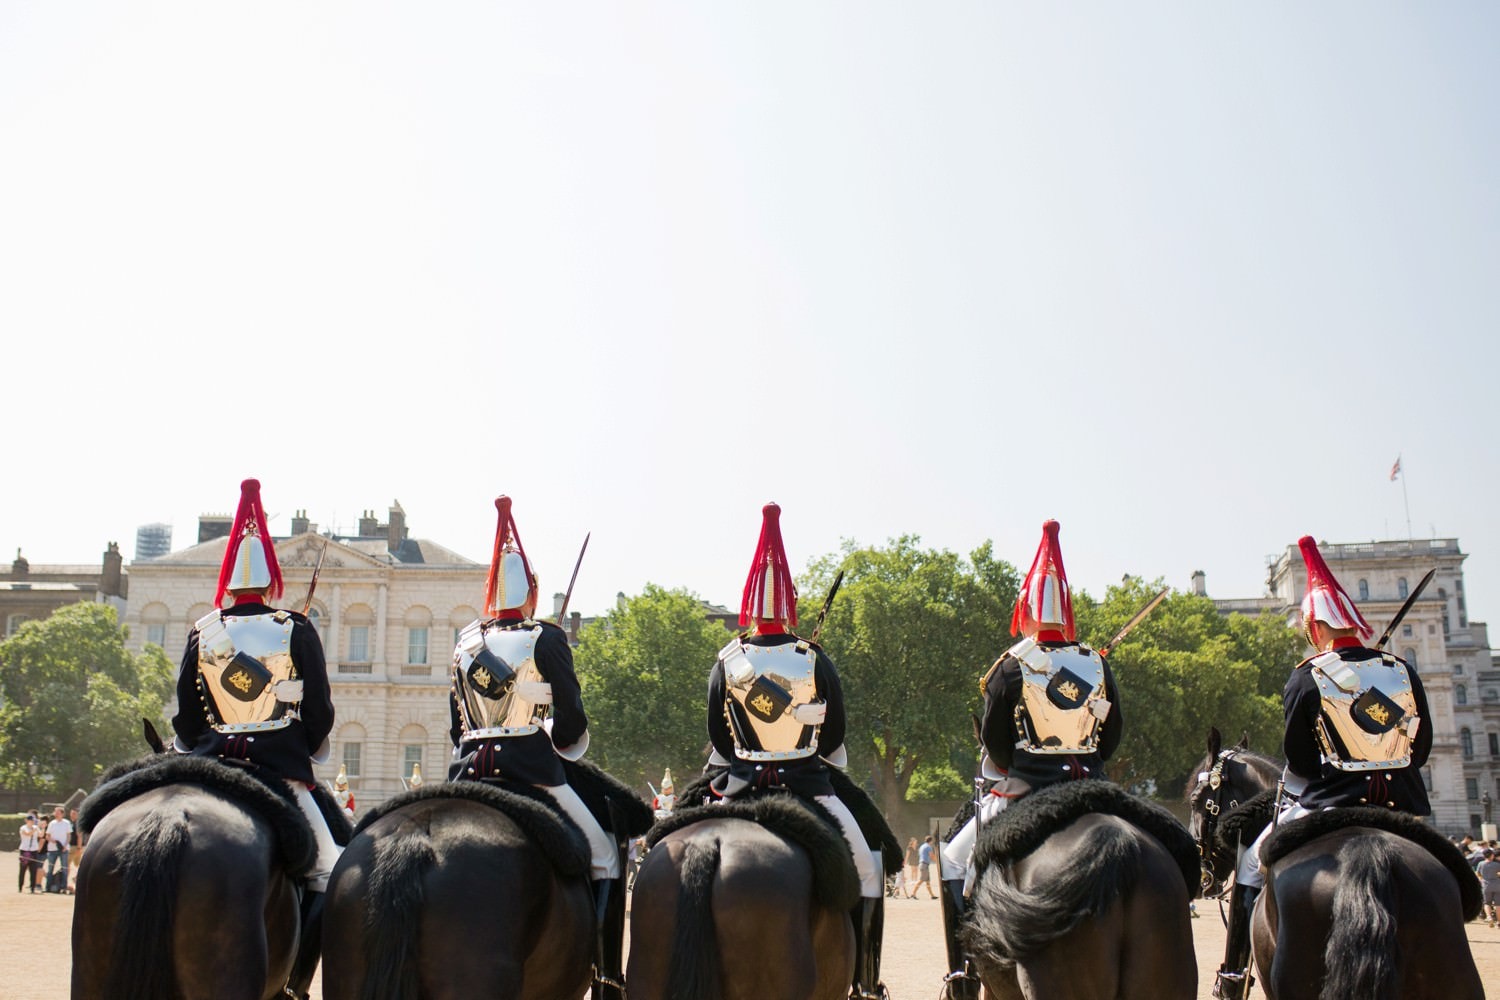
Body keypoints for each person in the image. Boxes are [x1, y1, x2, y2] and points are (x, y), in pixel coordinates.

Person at [1213, 535, 1432, 1000]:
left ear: (1315, 626)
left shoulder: (1309, 675)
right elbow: (1422, 747)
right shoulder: (1401, 670)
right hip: (1402, 806)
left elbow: (1300, 760)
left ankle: (1234, 975)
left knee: (1252, 866)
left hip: (1328, 805)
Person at [706, 502, 888, 1000]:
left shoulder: (727, 661)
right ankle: (867, 984)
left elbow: (721, 742)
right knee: (869, 866)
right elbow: (833, 741)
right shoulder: (812, 659)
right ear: (791, 601)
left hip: (738, 788)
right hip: (810, 787)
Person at [448, 496, 625, 1000]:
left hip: (468, 775)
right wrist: (547, 721)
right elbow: (570, 724)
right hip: (533, 770)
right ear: (532, 592)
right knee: (605, 856)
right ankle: (608, 980)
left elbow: (455, 726)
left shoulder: (466, 644)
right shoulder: (544, 638)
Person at [938, 519, 1122, 998]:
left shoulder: (1010, 667)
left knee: (953, 863)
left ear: (1025, 610)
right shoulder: (1095, 663)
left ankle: (963, 977)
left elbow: (998, 749)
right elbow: (1112, 735)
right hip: (1095, 786)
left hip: (1025, 789)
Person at [171, 478, 339, 999]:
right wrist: (302, 747)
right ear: (271, 577)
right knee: (330, 870)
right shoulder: (293, 626)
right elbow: (318, 713)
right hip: (278, 769)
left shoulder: (206, 630)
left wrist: (200, 746)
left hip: (210, 763)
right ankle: (292, 986)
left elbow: (186, 714)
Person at [43, 806, 71, 893]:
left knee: (64, 868)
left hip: (63, 849)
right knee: (50, 868)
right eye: (55, 812)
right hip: (52, 849)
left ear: (62, 814)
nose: (56, 814)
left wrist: (65, 846)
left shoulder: (66, 823)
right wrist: (53, 841)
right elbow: (47, 835)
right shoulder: (52, 823)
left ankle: (64, 887)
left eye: (58, 813)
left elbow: (69, 836)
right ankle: (48, 887)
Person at [17, 812, 43, 893]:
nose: (32, 822)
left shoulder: (36, 827)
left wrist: (43, 828)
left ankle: (32, 887)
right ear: (26, 821)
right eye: (30, 820)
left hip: (33, 850)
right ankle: (20, 886)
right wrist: (35, 829)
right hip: (25, 850)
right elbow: (27, 834)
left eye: (33, 821)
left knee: (33, 870)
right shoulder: (23, 828)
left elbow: (41, 835)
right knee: (23, 869)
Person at [1478, 849, 1500, 928]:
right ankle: (1499, 922)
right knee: (1498, 904)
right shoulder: (1497, 864)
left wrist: (1482, 880)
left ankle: (1489, 917)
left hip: (1486, 886)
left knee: (1487, 903)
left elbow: (1478, 874)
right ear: (1492, 855)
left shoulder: (1481, 864)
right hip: (1497, 885)